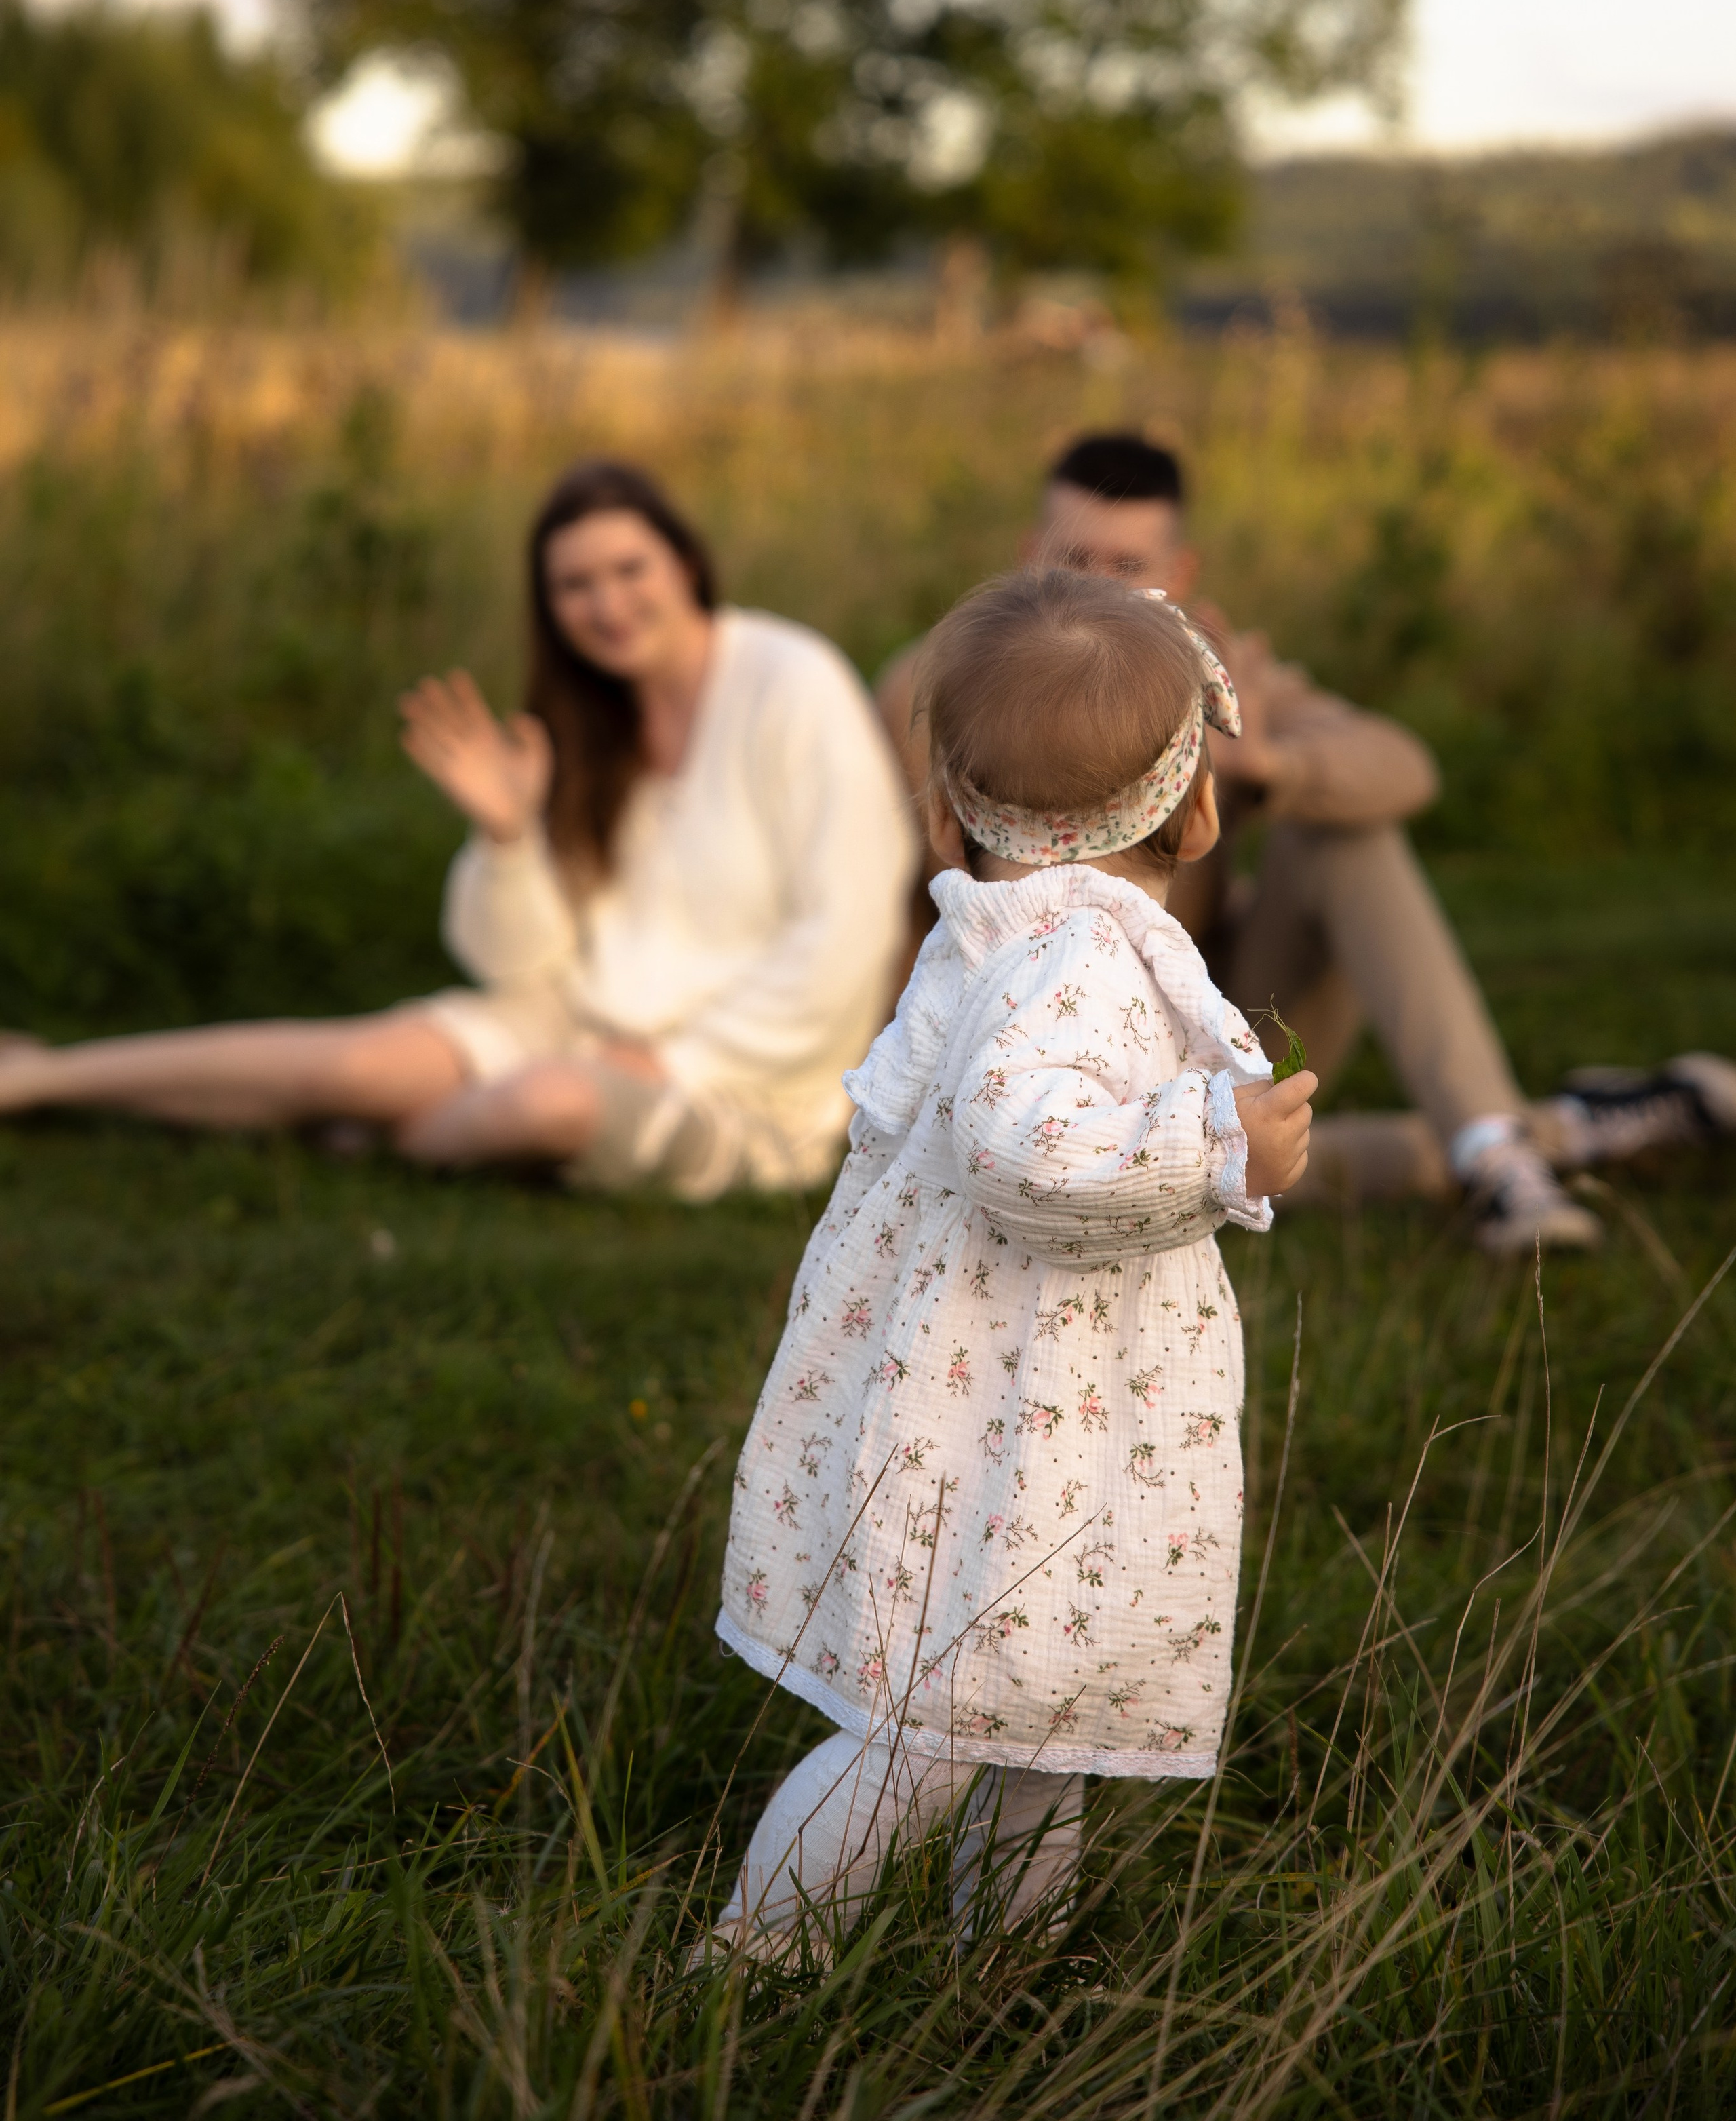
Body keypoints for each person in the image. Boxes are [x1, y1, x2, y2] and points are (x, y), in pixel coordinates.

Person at [700, 570, 1314, 1961]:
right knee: (924, 1726)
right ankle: (750, 1963)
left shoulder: (1012, 932)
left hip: (1032, 1390)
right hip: (1013, 1412)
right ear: (1202, 812)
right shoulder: (1081, 961)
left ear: (946, 816)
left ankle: (1003, 1971)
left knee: (1041, 1715)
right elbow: (1023, 1149)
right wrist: (1215, 1148)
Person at [877, 434, 1736, 1258]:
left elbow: (1404, 768)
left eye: (1127, 567)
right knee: (1235, 1165)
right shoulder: (938, 686)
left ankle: (1492, 1148)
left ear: (1181, 575)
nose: (1098, 586)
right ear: (1030, 552)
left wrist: (1265, 763)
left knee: (1345, 829)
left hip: (1205, 1023)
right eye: (1074, 560)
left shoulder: (1207, 679)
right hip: (1014, 1044)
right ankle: (1539, 1132)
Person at [0, 460, 915, 1200]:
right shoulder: (584, 725)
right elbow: (516, 967)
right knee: (358, 1059)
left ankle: (391, 1133)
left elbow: (849, 929)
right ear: (549, 607)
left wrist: (674, 1057)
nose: (607, 604)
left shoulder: (794, 682)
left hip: (747, 1085)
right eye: (574, 585)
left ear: (686, 565)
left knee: (549, 1103)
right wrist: (508, 839)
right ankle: (46, 1075)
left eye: (630, 570)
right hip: (570, 1018)